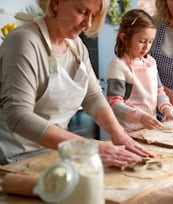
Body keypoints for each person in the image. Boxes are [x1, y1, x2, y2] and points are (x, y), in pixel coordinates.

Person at [0, 0, 153, 167]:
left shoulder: (76, 45)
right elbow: (19, 116)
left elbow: (92, 96)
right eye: (82, 12)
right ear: (56, 3)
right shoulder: (24, 42)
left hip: (55, 153)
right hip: (14, 158)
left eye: (93, 15)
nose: (87, 24)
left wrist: (119, 134)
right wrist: (89, 147)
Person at [107, 9, 173, 132]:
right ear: (124, 38)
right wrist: (140, 117)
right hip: (128, 132)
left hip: (149, 128)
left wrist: (167, 110)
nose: (146, 47)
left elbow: (159, 92)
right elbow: (114, 104)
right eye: (141, 41)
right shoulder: (118, 66)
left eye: (150, 41)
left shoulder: (151, 62)